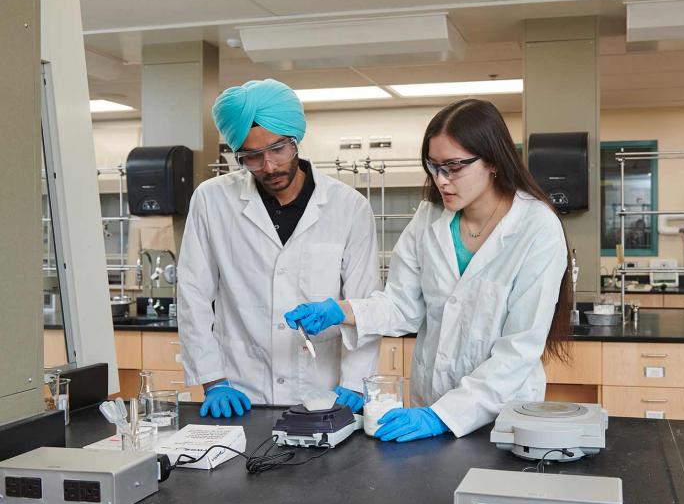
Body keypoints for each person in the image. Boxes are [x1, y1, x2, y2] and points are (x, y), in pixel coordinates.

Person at [285, 98, 572, 442]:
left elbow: (519, 348)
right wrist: (339, 311)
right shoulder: (430, 218)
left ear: (494, 161)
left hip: (501, 418)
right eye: (433, 167)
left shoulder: (536, 227)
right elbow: (402, 305)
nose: (442, 181)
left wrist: (444, 415)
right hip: (428, 404)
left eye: (453, 167)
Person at [178, 78, 380, 418]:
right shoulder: (212, 200)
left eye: (278, 149)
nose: (269, 166)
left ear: (296, 140)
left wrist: (356, 381)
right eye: (252, 157)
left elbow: (364, 303)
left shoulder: (348, 207)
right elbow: (193, 293)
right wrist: (213, 379)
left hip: (324, 393)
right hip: (242, 393)